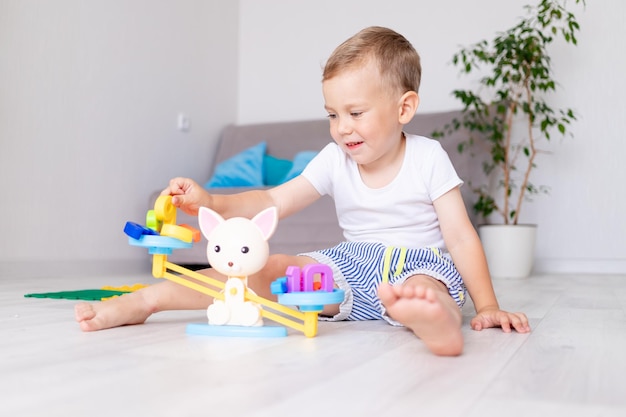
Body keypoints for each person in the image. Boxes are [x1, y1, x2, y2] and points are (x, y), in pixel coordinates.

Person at [75, 26, 530, 356]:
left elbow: (460, 237)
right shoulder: (335, 159)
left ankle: (434, 325)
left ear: (404, 108)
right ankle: (149, 300)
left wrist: (487, 305)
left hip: (418, 264)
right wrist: (212, 203)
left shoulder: (428, 157)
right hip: (349, 266)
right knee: (269, 267)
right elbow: (273, 200)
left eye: (355, 112)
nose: (342, 128)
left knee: (423, 290)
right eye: (332, 114)